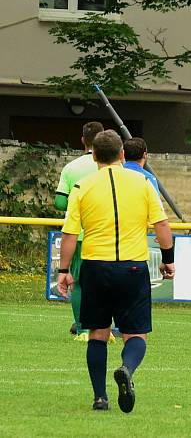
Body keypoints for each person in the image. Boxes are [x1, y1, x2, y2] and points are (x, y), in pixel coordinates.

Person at [56, 130, 175, 413]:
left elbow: (70, 233)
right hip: (133, 267)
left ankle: (100, 398)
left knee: (97, 333)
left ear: (94, 155)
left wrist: (64, 270)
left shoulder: (82, 187)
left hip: (95, 267)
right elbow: (161, 225)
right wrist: (168, 259)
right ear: (122, 154)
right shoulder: (143, 182)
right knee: (136, 334)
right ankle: (127, 368)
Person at [54, 121, 103, 342]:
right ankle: (103, 328)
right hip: (107, 233)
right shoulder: (111, 168)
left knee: (79, 282)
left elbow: (59, 202)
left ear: (83, 140)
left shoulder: (72, 168)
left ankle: (83, 328)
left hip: (80, 234)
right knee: (104, 283)